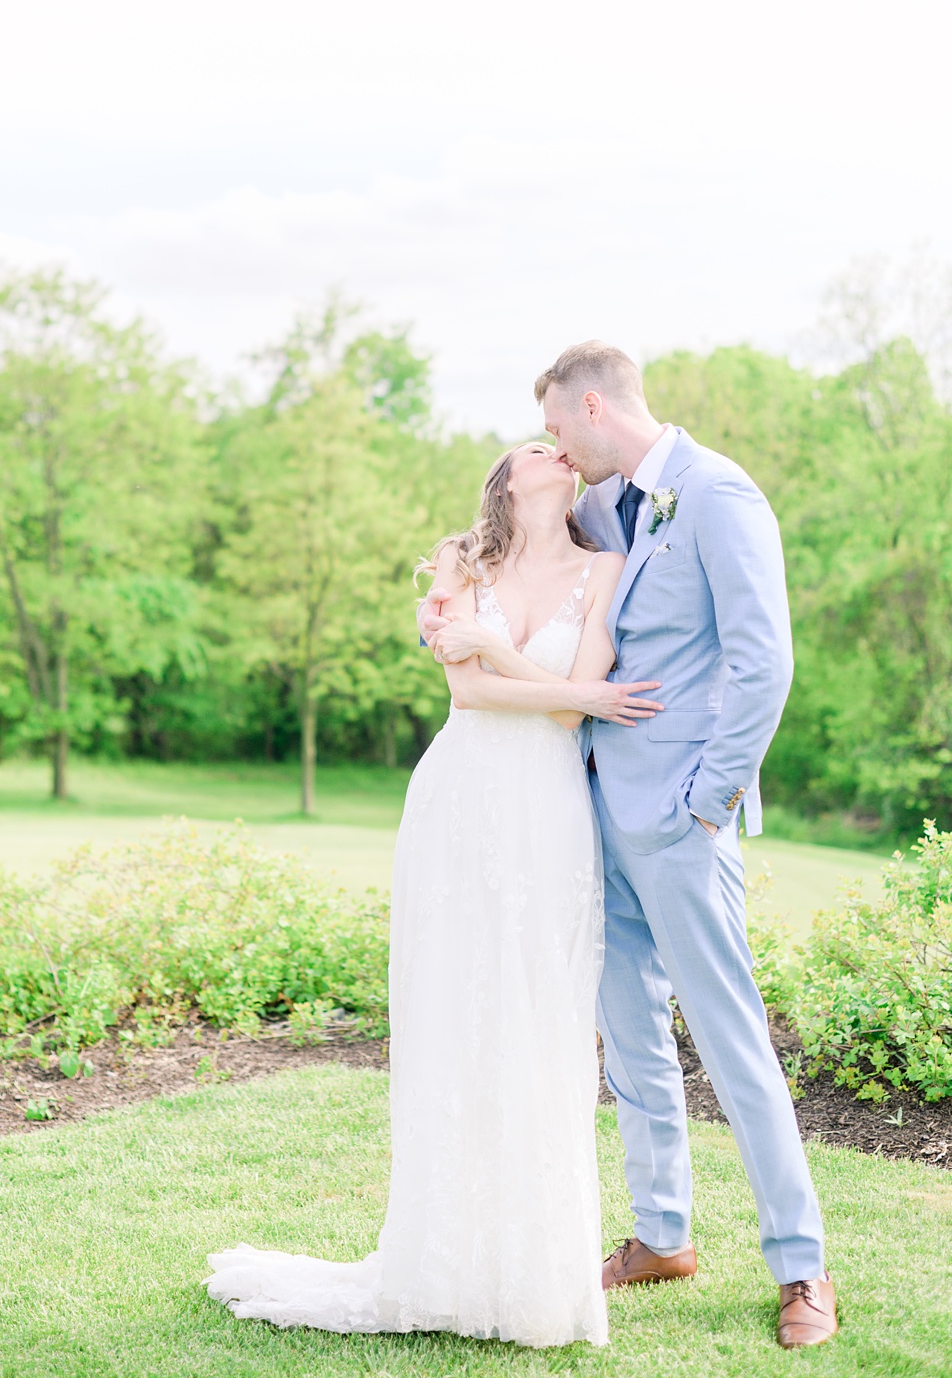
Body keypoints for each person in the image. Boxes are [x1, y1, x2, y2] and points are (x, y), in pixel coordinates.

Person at [208, 441, 657, 1347]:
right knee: (455, 1015)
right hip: (459, 801)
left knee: (538, 1017)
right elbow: (469, 693)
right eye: (535, 443)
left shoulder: (604, 566)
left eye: (559, 441)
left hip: (547, 810)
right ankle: (440, 1262)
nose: (554, 448)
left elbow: (577, 709)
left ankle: (530, 1275)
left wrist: (503, 652)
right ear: (506, 477)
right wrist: (508, 661)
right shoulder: (461, 562)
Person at [514, 342, 832, 1350]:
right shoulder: (612, 504)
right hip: (596, 812)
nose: (560, 450)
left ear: (596, 405)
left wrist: (710, 796)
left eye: (561, 428)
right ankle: (662, 1234)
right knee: (633, 1041)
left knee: (732, 1041)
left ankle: (802, 1266)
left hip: (683, 820)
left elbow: (761, 659)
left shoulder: (719, 493)